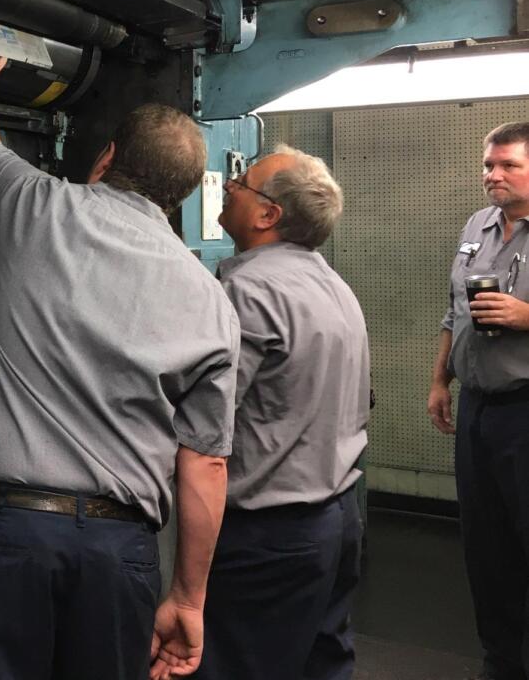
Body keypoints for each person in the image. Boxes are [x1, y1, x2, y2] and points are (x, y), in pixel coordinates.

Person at [0, 52, 240, 680]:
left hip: (2, 536)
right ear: (181, 194)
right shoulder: (211, 299)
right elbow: (205, 463)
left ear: (106, 157)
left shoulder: (28, 205)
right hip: (118, 551)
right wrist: (187, 598)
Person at [196, 146, 369, 680]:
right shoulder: (331, 283)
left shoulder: (246, 289)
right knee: (320, 663)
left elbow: (207, 424)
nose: (227, 186)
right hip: (336, 519)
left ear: (268, 214)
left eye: (241, 182)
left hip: (270, 534)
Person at [428, 121, 529, 680]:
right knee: (486, 547)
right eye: (489, 164)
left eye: (507, 164)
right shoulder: (477, 225)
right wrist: (441, 380)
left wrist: (526, 316)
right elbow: (454, 310)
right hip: (477, 409)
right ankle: (501, 662)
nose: (492, 174)